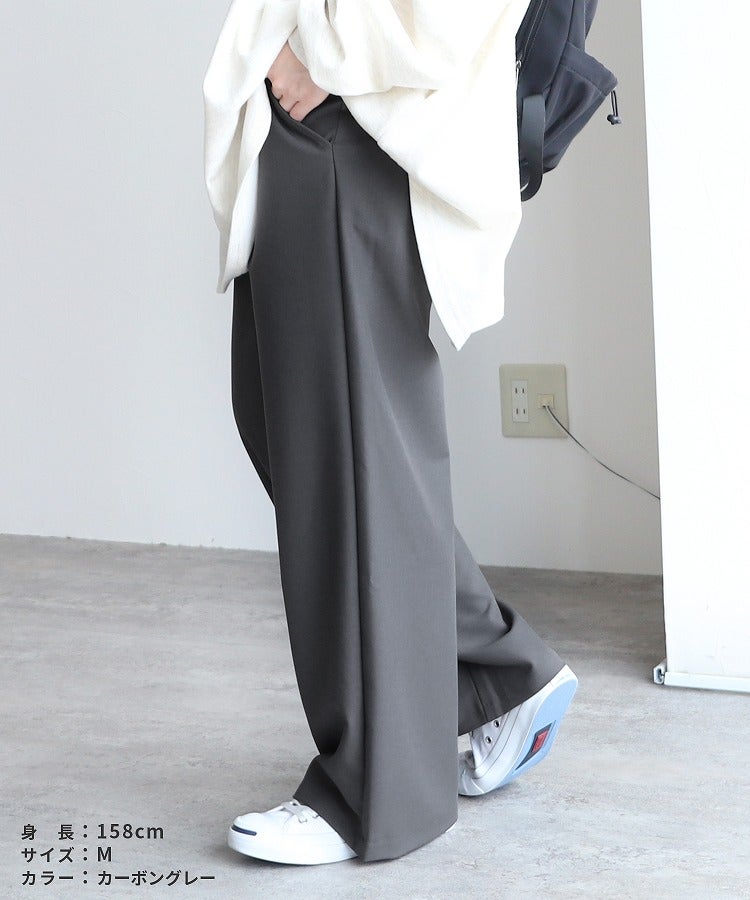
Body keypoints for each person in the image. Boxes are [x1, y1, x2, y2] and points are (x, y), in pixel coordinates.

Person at [204, 1, 578, 866]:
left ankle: (372, 794)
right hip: (314, 118)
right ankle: (497, 677)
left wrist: (319, 51)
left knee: (346, 459)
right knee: (305, 435)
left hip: (354, 119)